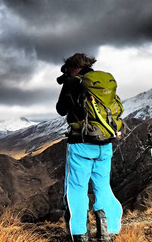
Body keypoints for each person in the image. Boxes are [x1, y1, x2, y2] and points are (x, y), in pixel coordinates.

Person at [56, 53, 123, 242]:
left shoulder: (72, 83)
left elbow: (61, 109)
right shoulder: (103, 83)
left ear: (74, 67)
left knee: (77, 188)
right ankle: (107, 232)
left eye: (68, 69)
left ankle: (80, 234)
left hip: (80, 145)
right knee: (102, 187)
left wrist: (68, 84)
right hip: (105, 145)